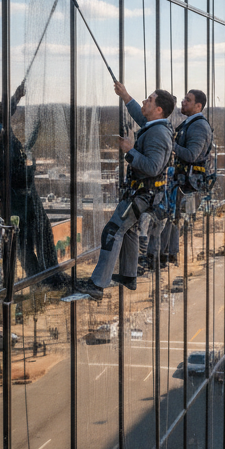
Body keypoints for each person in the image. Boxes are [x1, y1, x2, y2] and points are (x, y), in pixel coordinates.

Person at [65, 86, 175, 302]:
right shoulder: (155, 126)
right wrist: (125, 96)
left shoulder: (158, 134)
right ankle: (128, 275)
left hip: (142, 196)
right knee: (130, 231)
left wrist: (130, 150)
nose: (145, 101)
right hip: (145, 195)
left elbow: (153, 168)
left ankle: (97, 285)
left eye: (149, 100)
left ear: (159, 109)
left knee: (113, 231)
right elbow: (138, 114)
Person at [0, 85, 64, 286]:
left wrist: (16, 96)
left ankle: (47, 277)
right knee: (24, 242)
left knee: (40, 233)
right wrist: (0, 140)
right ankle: (40, 280)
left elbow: (7, 111)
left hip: (23, 192)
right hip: (13, 196)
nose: (0, 104)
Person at [129, 86, 214, 269]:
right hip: (183, 182)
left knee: (165, 217)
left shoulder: (198, 126)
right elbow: (147, 120)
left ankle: (158, 256)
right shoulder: (191, 123)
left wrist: (170, 143)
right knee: (167, 217)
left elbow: (191, 155)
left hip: (187, 183)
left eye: (188, 100)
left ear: (198, 106)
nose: (183, 102)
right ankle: (160, 256)